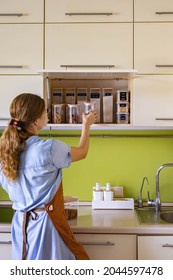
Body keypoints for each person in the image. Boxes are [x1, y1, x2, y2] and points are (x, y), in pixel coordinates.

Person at [0, 93, 97, 260]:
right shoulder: (48, 148)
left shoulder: (6, 152)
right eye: (45, 112)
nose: (47, 115)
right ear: (36, 120)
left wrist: (56, 198)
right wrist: (86, 126)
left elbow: (24, 188)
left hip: (21, 226)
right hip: (45, 226)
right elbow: (82, 153)